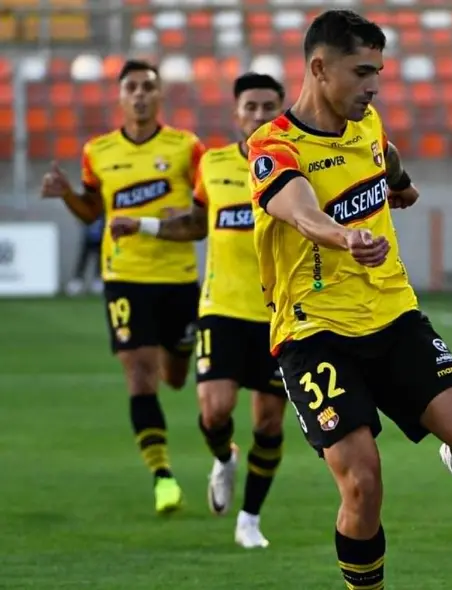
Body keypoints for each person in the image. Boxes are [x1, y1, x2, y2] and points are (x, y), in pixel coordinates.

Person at [245, 10, 452, 587]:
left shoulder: (366, 124)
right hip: (314, 332)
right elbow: (300, 210)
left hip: (392, 317)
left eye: (379, 73)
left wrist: (401, 183)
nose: (374, 85)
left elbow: (383, 156)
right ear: (319, 67)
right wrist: (346, 235)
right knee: (362, 481)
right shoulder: (273, 145)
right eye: (362, 71)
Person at [110, 73, 287, 547]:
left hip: (280, 313)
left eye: (269, 106)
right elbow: (195, 223)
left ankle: (249, 520)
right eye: (250, 106)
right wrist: (145, 225)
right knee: (214, 410)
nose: (259, 115)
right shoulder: (213, 164)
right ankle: (225, 459)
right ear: (236, 113)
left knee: (269, 421)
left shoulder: (300, 165)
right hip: (222, 309)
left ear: (282, 111)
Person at [40, 60, 204, 515]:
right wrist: (67, 194)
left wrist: (177, 219)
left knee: (174, 376)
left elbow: (203, 213)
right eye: (131, 87)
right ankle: (163, 477)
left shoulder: (186, 148)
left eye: (148, 87)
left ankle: (178, 365)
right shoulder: (98, 151)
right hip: (124, 279)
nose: (139, 94)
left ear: (160, 95)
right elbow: (94, 210)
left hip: (177, 279)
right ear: (120, 96)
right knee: (138, 373)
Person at [66, 213, 105, 296]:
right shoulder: (87, 212)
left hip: (100, 239)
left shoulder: (103, 213)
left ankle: (98, 280)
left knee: (100, 262)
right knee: (83, 261)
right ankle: (77, 281)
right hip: (88, 238)